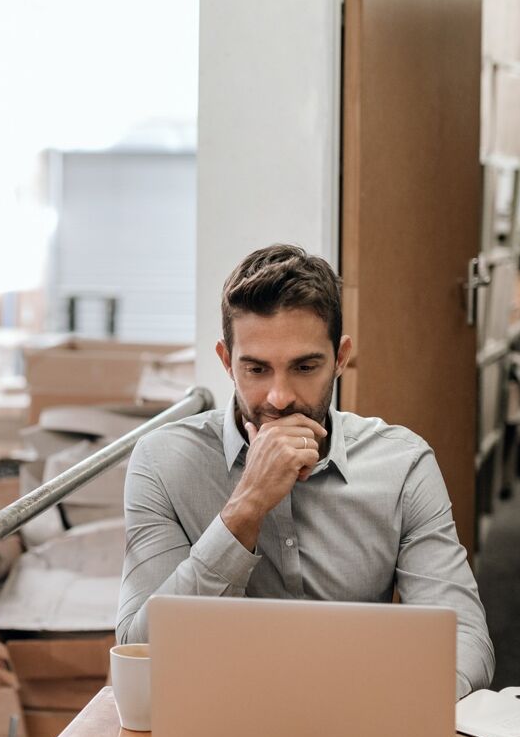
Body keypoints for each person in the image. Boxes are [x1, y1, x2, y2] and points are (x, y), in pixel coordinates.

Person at [116, 244, 494, 698]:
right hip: (218, 718)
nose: (279, 397)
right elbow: (142, 655)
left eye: (305, 366)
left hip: (362, 717)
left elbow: (465, 644)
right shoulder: (162, 462)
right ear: (225, 361)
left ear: (340, 358)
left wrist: (391, 706)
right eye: (256, 368)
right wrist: (246, 508)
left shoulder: (403, 464)